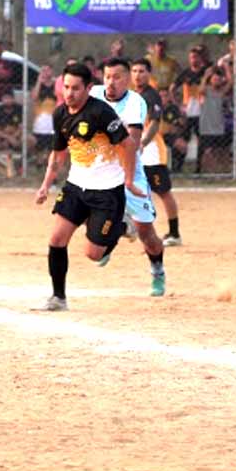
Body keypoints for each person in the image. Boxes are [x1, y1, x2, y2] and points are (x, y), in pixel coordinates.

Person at [34, 63, 141, 311]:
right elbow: (58, 155)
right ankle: (58, 298)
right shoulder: (60, 114)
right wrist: (45, 186)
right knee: (56, 240)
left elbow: (127, 145)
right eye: (66, 87)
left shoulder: (101, 113)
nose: (69, 94)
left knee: (94, 254)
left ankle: (122, 224)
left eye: (75, 88)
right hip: (75, 187)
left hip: (107, 192)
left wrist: (129, 180)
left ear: (89, 88)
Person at [90, 57, 166, 296]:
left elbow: (132, 142)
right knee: (79, 210)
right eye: (107, 77)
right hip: (100, 170)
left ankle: (157, 271)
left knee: (147, 233)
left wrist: (129, 178)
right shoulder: (93, 93)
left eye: (117, 77)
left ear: (127, 80)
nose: (111, 82)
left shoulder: (136, 102)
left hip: (130, 169)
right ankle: (118, 230)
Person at [131, 58, 182, 246]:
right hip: (135, 151)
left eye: (142, 71)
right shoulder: (132, 95)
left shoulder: (151, 95)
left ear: (149, 74)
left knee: (163, 192)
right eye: (134, 71)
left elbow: (154, 123)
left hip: (151, 153)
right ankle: (131, 226)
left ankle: (175, 233)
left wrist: (143, 142)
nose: (138, 75)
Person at [170, 45, 209, 173]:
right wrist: (178, 105)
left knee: (201, 140)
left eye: (196, 57)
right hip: (187, 111)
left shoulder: (206, 72)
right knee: (182, 138)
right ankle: (178, 167)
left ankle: (199, 168)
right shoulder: (185, 73)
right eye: (192, 57)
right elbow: (172, 89)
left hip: (201, 111)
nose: (194, 60)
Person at [0, 92, 32, 176]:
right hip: (0, 137)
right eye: (5, 98)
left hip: (15, 136)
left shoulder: (19, 109)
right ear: (2, 100)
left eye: (10, 98)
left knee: (31, 140)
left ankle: (20, 164)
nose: (7, 101)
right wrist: (8, 138)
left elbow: (21, 127)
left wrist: (14, 137)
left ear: (13, 99)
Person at [199, 65, 231, 173]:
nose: (217, 81)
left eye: (218, 79)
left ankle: (220, 171)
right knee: (207, 151)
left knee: (218, 151)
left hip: (218, 126)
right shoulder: (206, 91)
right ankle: (210, 171)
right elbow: (201, 89)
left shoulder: (221, 92)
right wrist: (206, 75)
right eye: (214, 79)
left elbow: (231, 82)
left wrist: (226, 69)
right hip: (206, 126)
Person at [30, 64, 57, 168]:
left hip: (53, 119)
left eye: (47, 70)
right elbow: (34, 97)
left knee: (52, 144)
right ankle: (39, 163)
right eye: (43, 71)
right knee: (39, 144)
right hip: (40, 119)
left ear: (52, 72)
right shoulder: (38, 85)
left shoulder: (56, 84)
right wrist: (39, 82)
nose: (45, 73)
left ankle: (50, 163)